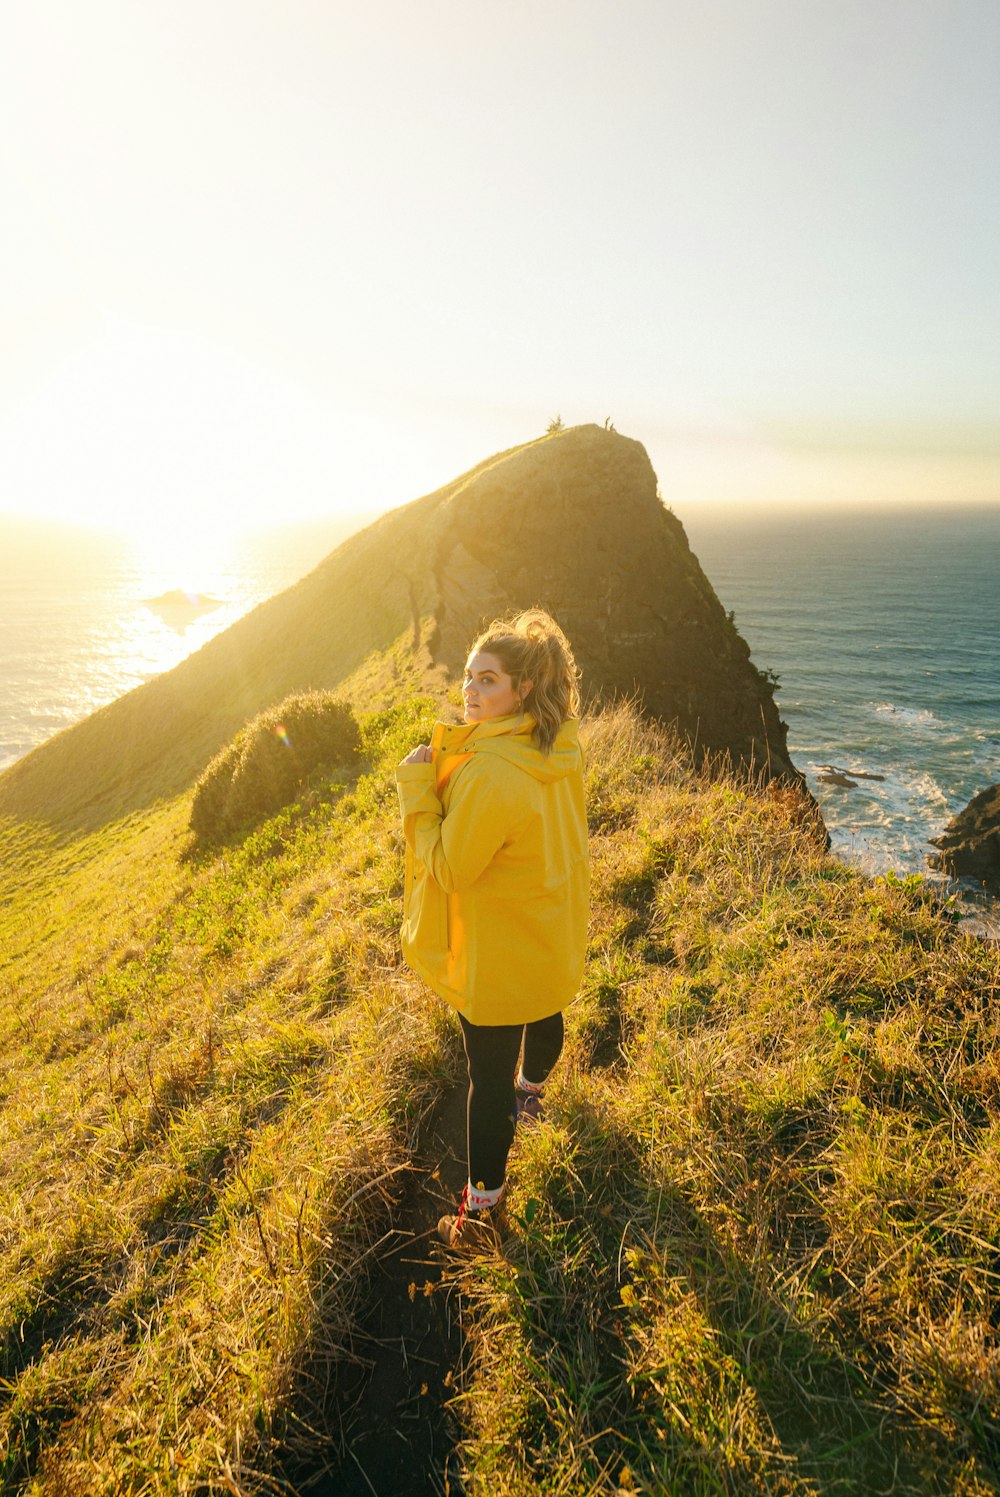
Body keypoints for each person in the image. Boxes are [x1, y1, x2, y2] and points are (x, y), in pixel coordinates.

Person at [395, 610, 589, 1248]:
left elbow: (449, 867)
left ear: (523, 689)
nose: (470, 694)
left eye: (488, 681)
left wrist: (417, 791)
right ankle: (534, 1094)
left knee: (486, 1083)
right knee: (546, 1008)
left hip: (499, 941)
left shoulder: (493, 772)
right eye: (469, 679)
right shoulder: (556, 744)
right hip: (546, 922)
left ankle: (481, 1214)